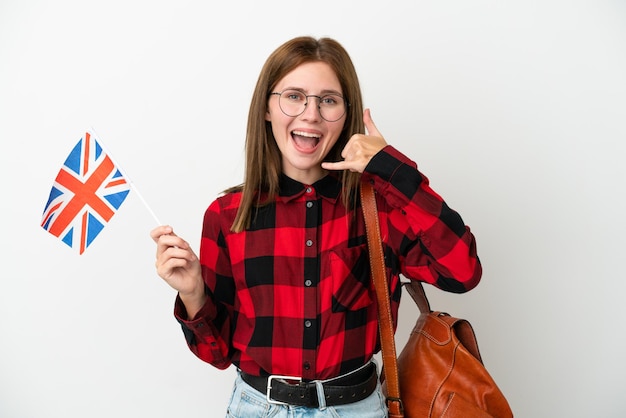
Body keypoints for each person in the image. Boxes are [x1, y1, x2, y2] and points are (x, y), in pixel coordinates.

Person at [150, 36, 481, 417]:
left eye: (328, 100)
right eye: (294, 96)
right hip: (258, 408)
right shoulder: (227, 215)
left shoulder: (380, 207)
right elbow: (218, 354)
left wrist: (392, 170)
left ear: (346, 114)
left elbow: (463, 272)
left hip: (358, 407)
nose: (310, 114)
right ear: (267, 110)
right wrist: (193, 294)